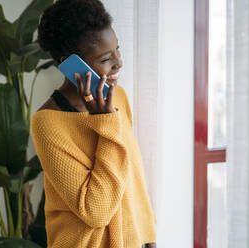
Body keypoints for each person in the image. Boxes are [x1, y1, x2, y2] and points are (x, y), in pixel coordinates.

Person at [30, 0, 157, 247]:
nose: (119, 63)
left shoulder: (117, 96)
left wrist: (148, 234)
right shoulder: (47, 123)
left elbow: (133, 174)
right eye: (106, 58)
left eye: (117, 50)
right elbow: (95, 211)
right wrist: (104, 122)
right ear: (71, 64)